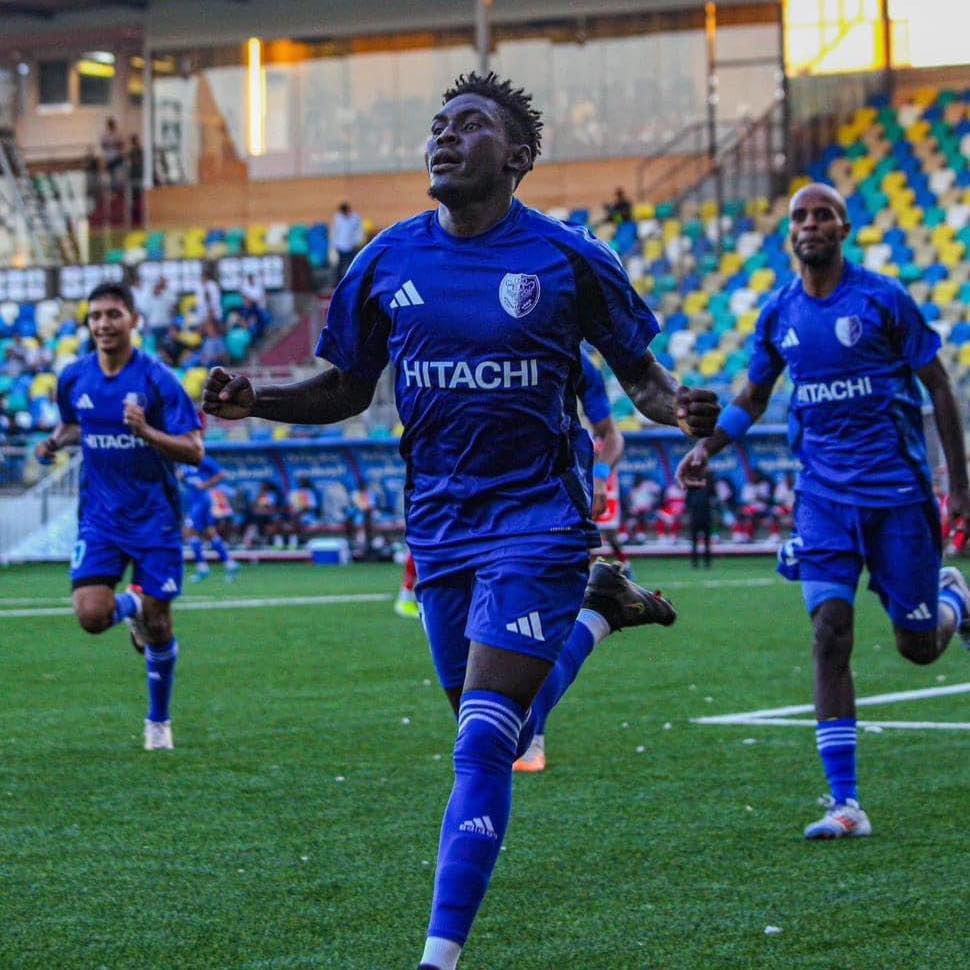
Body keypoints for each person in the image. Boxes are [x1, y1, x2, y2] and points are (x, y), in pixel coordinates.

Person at [202, 71, 719, 969]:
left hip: (539, 518)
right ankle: (600, 613)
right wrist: (260, 398)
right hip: (438, 524)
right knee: (490, 725)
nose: (444, 137)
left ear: (517, 159)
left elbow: (641, 375)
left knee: (484, 741)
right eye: (438, 125)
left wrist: (681, 410)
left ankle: (437, 959)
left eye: (469, 125)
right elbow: (346, 386)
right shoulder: (386, 260)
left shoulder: (567, 257)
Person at [677, 182, 970, 841]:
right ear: (790, 235)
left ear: (843, 229)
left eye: (823, 215)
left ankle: (954, 603)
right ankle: (846, 801)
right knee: (829, 631)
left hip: (898, 496)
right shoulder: (778, 312)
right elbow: (752, 395)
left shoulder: (883, 299)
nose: (811, 224)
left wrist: (960, 485)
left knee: (918, 648)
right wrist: (709, 446)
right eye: (800, 217)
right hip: (823, 501)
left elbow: (940, 386)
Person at [35, 282, 203, 751]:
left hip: (156, 520)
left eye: (113, 314)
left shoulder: (158, 381)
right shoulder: (73, 377)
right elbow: (75, 423)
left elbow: (193, 449)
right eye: (95, 317)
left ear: (134, 320)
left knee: (161, 626)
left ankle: (158, 723)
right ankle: (129, 609)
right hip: (101, 518)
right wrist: (55, 442)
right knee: (90, 616)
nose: (103, 324)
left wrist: (146, 430)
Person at [513, 347, 629, 772]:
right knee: (485, 633)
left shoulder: (576, 357)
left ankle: (532, 737)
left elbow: (611, 434)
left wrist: (600, 479)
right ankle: (599, 616)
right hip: (490, 499)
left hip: (558, 503)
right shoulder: (482, 337)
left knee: (530, 628)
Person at [181, 451, 239, 583]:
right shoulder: (183, 461)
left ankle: (202, 567)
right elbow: (188, 481)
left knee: (188, 532)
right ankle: (230, 564)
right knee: (209, 533)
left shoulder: (203, 459)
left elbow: (222, 474)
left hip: (202, 500)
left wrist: (205, 485)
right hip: (194, 500)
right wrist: (181, 478)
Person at [686, 470, 714, 568]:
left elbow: (688, 504)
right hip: (698, 517)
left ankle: (705, 563)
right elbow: (688, 504)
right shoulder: (692, 490)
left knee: (705, 541)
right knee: (696, 542)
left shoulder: (708, 489)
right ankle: (696, 563)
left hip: (703, 517)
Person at [332, 201, 364, 282]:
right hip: (340, 246)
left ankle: (352, 282)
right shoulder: (338, 218)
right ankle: (338, 283)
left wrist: (358, 242)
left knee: (352, 266)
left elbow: (360, 231)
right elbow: (335, 231)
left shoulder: (355, 218)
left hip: (352, 246)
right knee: (340, 267)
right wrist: (334, 245)